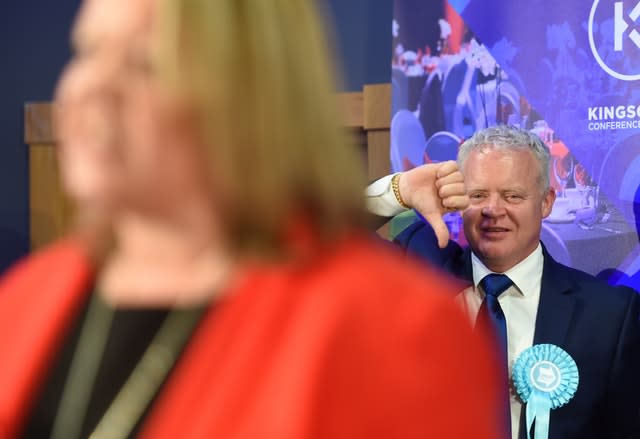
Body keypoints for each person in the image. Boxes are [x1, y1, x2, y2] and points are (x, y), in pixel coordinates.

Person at [0, 1, 503, 438]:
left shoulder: (394, 337)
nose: (90, 87)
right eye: (87, 51)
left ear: (253, 93)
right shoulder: (25, 299)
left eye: (144, 62)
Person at [367, 124, 640, 439]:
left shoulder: (607, 316)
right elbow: (317, 246)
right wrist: (397, 190)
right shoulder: (419, 269)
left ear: (547, 201)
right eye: (478, 195)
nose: (493, 210)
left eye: (512, 196)